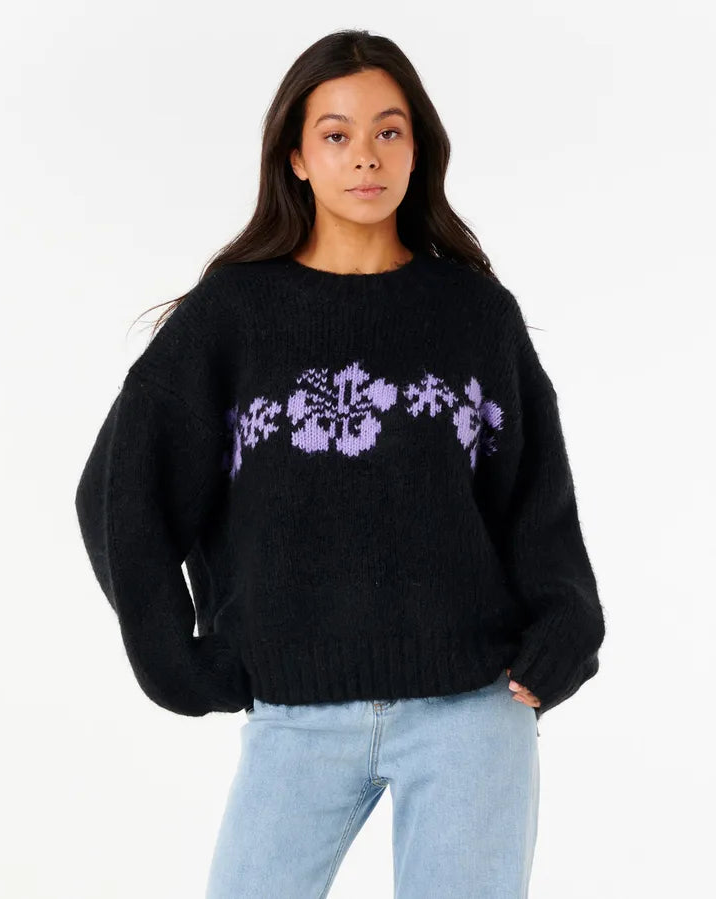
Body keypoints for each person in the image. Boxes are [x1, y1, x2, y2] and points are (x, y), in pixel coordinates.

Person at [74, 29, 606, 899]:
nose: (365, 155)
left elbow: (535, 501)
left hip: (472, 712)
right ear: (295, 156)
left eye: (389, 131)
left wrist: (566, 624)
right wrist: (174, 657)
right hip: (295, 717)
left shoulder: (473, 312)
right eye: (336, 133)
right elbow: (118, 491)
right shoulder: (233, 313)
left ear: (417, 149)